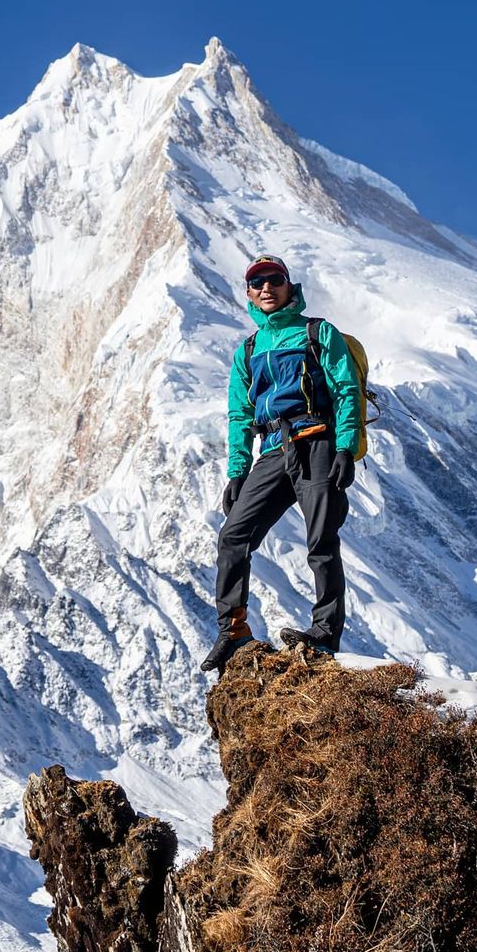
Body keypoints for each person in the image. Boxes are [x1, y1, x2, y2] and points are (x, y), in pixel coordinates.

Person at [201, 254, 361, 673]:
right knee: (233, 536)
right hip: (273, 450)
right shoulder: (249, 349)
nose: (266, 288)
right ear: (248, 293)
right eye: (257, 283)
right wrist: (237, 472)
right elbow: (240, 415)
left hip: (316, 442)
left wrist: (345, 447)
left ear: (290, 286)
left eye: (274, 280)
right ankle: (233, 630)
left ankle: (325, 632)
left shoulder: (317, 332)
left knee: (321, 542)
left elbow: (346, 389)